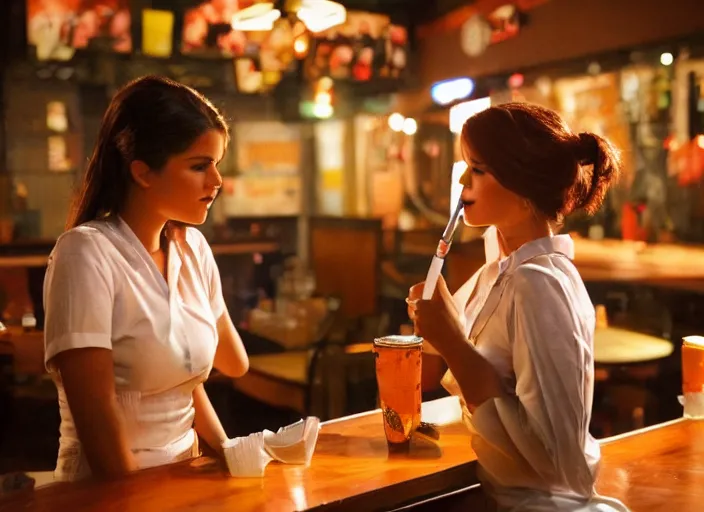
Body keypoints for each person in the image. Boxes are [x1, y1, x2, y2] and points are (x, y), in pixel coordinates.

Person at [408, 102, 630, 511]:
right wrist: (433, 325)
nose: (462, 180)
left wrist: (451, 340)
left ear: (522, 185)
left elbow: (552, 459)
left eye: (477, 169)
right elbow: (449, 344)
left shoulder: (539, 285)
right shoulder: (499, 271)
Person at [43, 75, 249, 482]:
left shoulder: (192, 249)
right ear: (143, 172)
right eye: (199, 166)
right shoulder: (85, 253)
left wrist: (234, 460)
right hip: (109, 489)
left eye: (217, 164)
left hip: (182, 476)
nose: (217, 181)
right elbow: (97, 415)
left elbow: (227, 365)